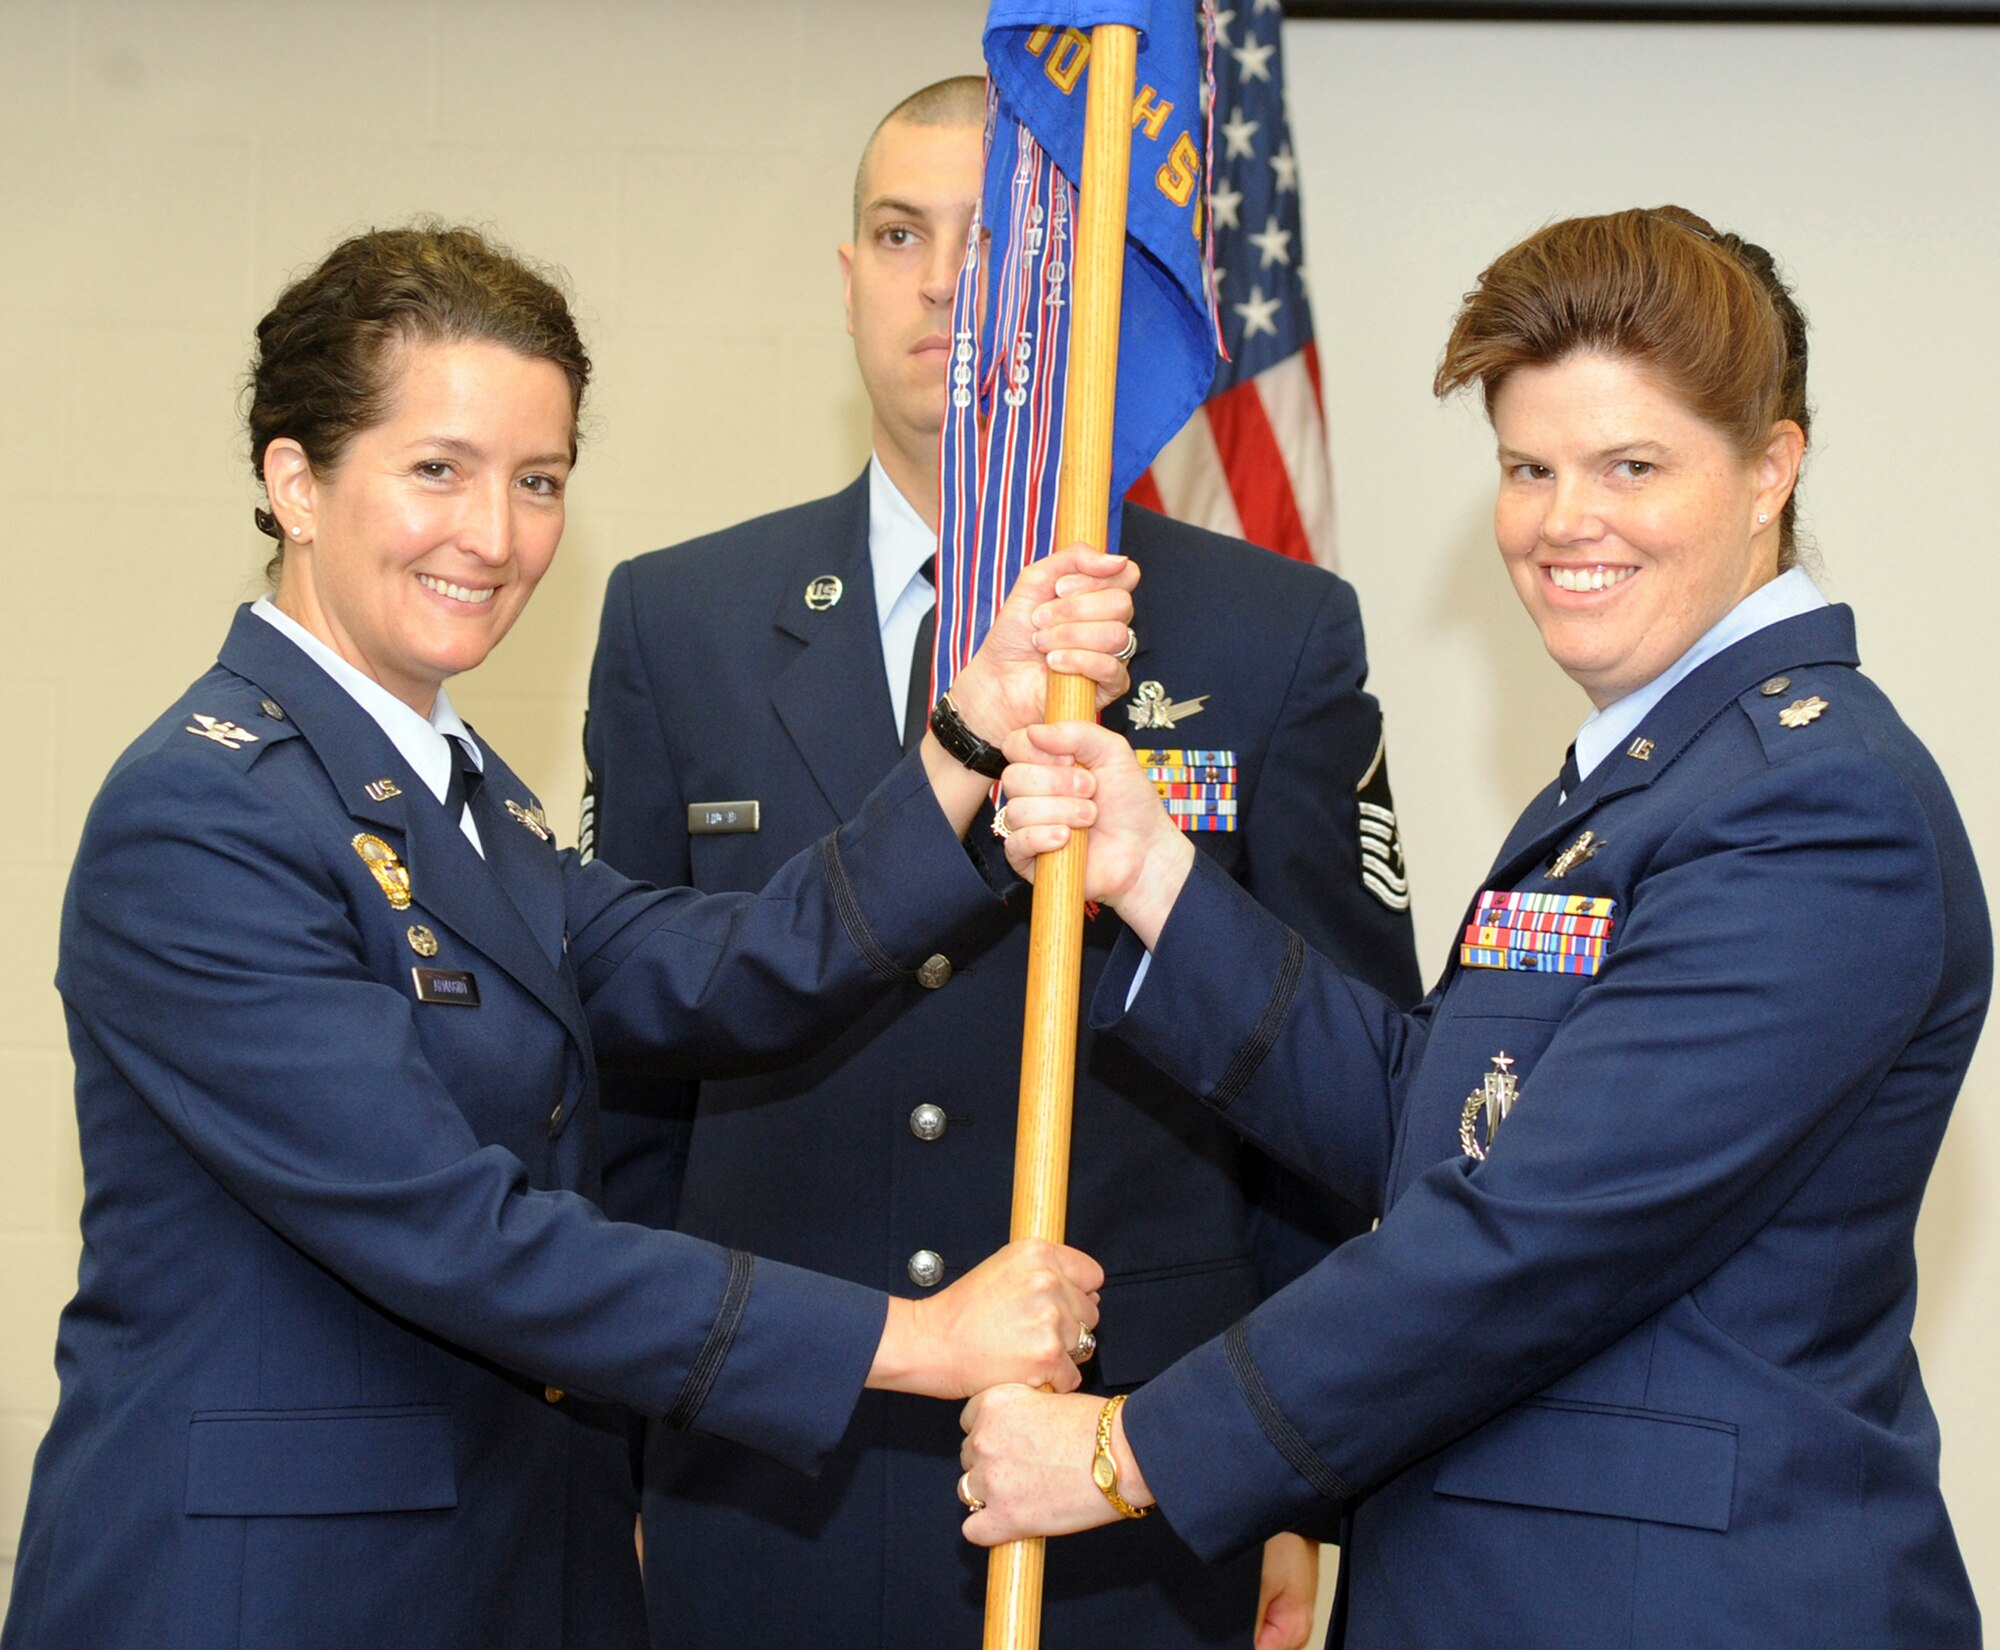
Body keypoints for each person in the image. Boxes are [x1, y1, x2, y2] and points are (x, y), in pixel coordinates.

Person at [0, 223, 1143, 1650]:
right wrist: (918, 1341)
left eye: (537, 481)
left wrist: (967, 736)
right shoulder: (204, 816)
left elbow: (723, 964)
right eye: (439, 469)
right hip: (269, 1593)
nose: (493, 533)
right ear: (293, 479)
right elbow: (459, 1233)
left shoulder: (461, 799)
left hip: (514, 1563)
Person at [963, 206, 1989, 1650]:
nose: (1568, 521)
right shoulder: (1648, 768)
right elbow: (1435, 1117)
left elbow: (1534, 1235)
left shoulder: (1815, 809)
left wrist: (1127, 1451)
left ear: (1772, 468)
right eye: (1530, 468)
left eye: (1632, 465)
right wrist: (1154, 875)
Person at [582, 76, 1421, 1650]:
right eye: (901, 233)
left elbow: (1342, 1094)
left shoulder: (1270, 635)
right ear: (847, 276)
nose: (946, 280)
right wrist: (615, 1445)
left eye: (999, 242)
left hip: (1132, 1491)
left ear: (1082, 287)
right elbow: (628, 1078)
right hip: (766, 1474)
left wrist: (1302, 1479)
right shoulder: (676, 621)